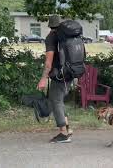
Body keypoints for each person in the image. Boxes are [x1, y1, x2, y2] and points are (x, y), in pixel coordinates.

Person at [37, 15, 73, 143]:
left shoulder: (51, 37)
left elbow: (48, 62)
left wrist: (43, 78)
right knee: (59, 100)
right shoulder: (68, 36)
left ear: (50, 26)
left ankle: (63, 133)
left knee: (55, 101)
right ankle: (67, 128)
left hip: (59, 76)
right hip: (70, 73)